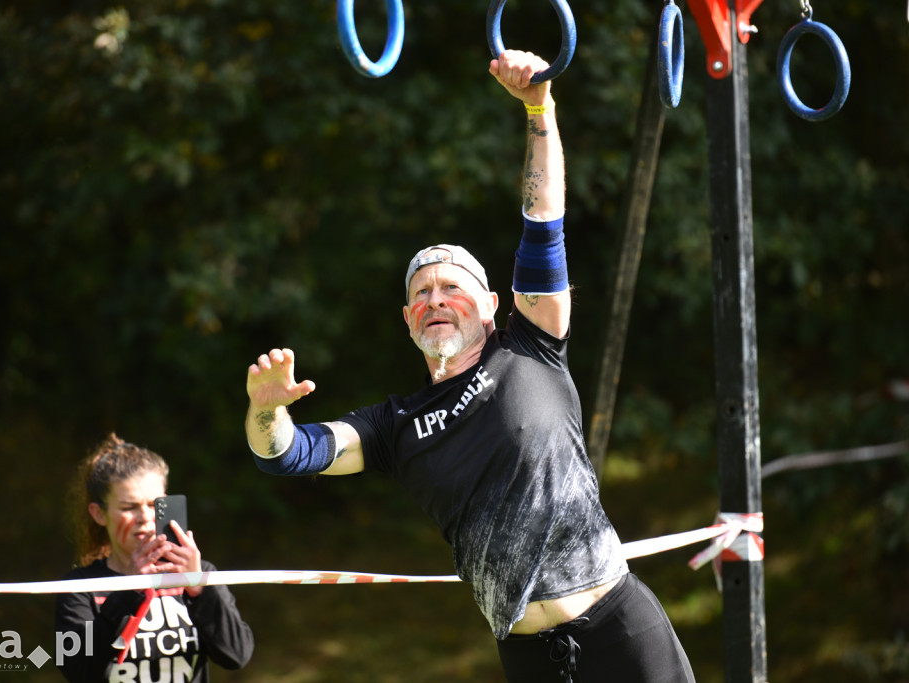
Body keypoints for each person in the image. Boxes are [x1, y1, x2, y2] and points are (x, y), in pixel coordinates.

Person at [244, 50, 694, 683]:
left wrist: (540, 110)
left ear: (490, 307)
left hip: (620, 630)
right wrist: (265, 411)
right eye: (421, 294)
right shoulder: (394, 426)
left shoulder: (530, 344)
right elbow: (288, 452)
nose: (435, 300)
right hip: (528, 657)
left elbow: (544, 221)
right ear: (407, 321)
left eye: (450, 287)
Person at [55, 434, 254, 682]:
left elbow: (237, 656)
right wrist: (129, 592)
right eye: (129, 507)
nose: (145, 517)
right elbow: (74, 669)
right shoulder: (80, 586)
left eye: (154, 504)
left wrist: (200, 588)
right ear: (99, 514)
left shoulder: (199, 573)